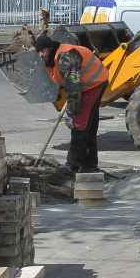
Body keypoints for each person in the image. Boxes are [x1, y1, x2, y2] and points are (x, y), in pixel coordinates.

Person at [34, 33, 109, 173]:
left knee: (79, 126)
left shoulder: (65, 57)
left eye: (42, 51)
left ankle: (71, 166)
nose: (40, 54)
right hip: (86, 85)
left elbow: (73, 87)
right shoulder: (53, 58)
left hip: (94, 85)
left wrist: (71, 113)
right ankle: (89, 165)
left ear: (49, 48)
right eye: (38, 51)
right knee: (89, 126)